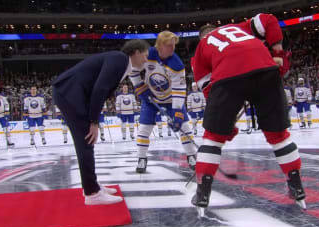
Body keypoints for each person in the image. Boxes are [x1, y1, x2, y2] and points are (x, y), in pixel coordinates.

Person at [191, 23, 305, 209]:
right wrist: (277, 53)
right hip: (266, 69)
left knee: (212, 138)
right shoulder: (238, 27)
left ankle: (203, 193)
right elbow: (267, 19)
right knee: (279, 136)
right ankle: (297, 186)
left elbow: (208, 89)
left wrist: (224, 125)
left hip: (227, 77)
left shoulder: (201, 48)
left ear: (202, 36)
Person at [52, 39, 150, 205]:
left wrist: (93, 119)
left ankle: (91, 185)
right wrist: (94, 121)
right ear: (137, 52)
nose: (146, 60)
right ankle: (92, 193)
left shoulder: (121, 62)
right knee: (86, 141)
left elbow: (100, 89)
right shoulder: (120, 59)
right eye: (145, 56)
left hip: (71, 92)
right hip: (69, 92)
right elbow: (100, 89)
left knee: (86, 142)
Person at [128, 31, 197, 173]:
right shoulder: (148, 54)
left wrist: (177, 111)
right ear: (159, 45)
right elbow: (132, 69)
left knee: (185, 126)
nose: (172, 49)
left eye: (174, 46)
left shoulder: (176, 64)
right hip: (151, 98)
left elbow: (179, 88)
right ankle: (141, 158)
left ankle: (191, 156)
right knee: (144, 129)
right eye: (169, 46)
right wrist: (140, 86)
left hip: (172, 101)